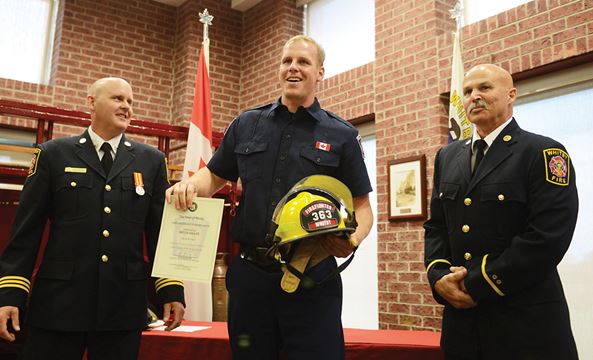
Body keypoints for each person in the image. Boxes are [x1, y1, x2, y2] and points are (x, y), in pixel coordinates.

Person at [167, 35, 374, 359]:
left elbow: (363, 208)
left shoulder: (342, 134)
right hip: (251, 278)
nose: (293, 67)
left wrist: (352, 240)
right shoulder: (247, 123)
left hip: (312, 278)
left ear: (320, 72)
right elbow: (216, 175)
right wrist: (190, 185)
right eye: (287, 61)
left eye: (303, 62)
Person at [0, 77, 185, 359]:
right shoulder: (53, 154)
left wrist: (170, 289)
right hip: (59, 305)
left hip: (122, 306)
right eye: (118, 99)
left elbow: (160, 231)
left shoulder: (151, 161)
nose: (126, 107)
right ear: (91, 102)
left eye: (130, 102)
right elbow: (26, 231)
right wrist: (10, 293)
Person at [424, 64, 579, 359]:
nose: (474, 97)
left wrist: (475, 282)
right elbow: (436, 227)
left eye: (484, 88)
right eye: (468, 91)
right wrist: (439, 276)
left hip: (524, 325)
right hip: (463, 328)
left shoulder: (543, 152)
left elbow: (547, 238)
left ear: (511, 95)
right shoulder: (448, 156)